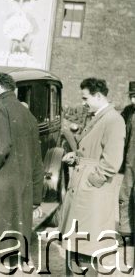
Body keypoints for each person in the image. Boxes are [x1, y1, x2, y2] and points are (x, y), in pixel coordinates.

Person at [0, 73, 43, 274]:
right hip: (22, 183)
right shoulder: (27, 113)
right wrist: (37, 197)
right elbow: (36, 158)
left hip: (1, 182)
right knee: (17, 225)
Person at [61, 78, 125, 276]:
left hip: (92, 194)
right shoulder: (98, 116)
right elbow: (92, 150)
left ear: (98, 96)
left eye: (85, 98)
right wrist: (78, 157)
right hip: (84, 191)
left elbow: (112, 162)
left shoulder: (113, 120)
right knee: (78, 245)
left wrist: (92, 180)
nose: (83, 102)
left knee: (87, 247)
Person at [119, 81, 135, 245]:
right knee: (125, 195)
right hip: (130, 160)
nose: (133, 101)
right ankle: (126, 232)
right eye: (132, 96)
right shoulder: (128, 112)